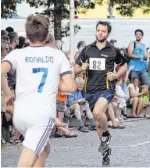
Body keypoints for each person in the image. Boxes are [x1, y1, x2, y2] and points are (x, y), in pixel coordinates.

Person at [1, 15, 76, 167]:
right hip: (41, 115)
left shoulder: (17, 54)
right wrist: (53, 81)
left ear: (27, 35)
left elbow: (1, 71)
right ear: (47, 35)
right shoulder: (57, 55)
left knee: (44, 148)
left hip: (20, 115)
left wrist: (8, 94)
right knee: (26, 162)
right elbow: (70, 87)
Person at [75, 21, 127, 166]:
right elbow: (76, 68)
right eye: (98, 30)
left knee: (97, 113)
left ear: (107, 33)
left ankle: (106, 136)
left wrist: (116, 76)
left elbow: (124, 65)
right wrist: (81, 68)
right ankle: (105, 146)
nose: (100, 33)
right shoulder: (87, 50)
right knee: (98, 123)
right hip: (89, 90)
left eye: (103, 31)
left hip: (106, 88)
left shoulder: (113, 50)